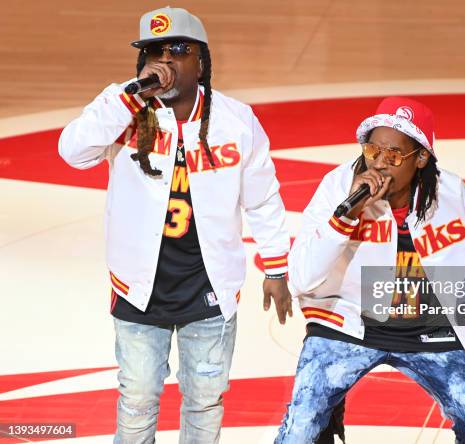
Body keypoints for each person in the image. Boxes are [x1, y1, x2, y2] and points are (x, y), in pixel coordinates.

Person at [58, 7, 292, 443]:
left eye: (177, 50)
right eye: (152, 51)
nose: (163, 61)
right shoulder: (123, 109)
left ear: (200, 61)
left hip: (209, 289)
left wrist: (276, 268)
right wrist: (129, 96)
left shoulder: (236, 121)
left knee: (205, 401)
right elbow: (73, 151)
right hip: (138, 288)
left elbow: (263, 198)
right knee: (137, 400)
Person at [276, 97, 465, 443]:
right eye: (371, 150)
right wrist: (345, 216)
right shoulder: (338, 188)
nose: (378, 164)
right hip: (349, 323)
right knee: (301, 428)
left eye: (393, 155)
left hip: (432, 328)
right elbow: (302, 277)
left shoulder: (453, 196)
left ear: (421, 157)